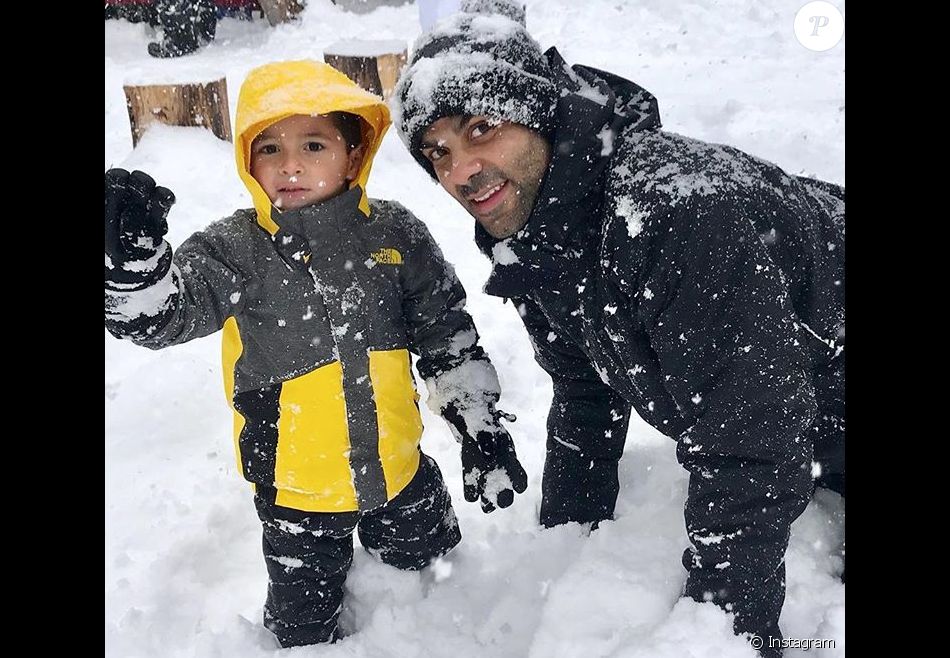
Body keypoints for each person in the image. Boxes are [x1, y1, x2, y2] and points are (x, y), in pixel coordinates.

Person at [392, 1, 844, 656]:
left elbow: (751, 437)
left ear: (539, 113)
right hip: (798, 400)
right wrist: (566, 543)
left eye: (482, 128)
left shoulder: (676, 212)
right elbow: (585, 392)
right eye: (438, 152)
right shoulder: (529, 231)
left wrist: (723, 633)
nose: (461, 171)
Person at [104, 59, 527, 647]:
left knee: (435, 573)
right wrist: (132, 275)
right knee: (303, 628)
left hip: (398, 468)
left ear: (353, 155)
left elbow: (445, 333)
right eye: (269, 147)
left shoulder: (394, 235)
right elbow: (167, 315)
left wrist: (479, 425)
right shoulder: (236, 249)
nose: (291, 164)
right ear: (247, 160)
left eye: (313, 144)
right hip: (295, 490)